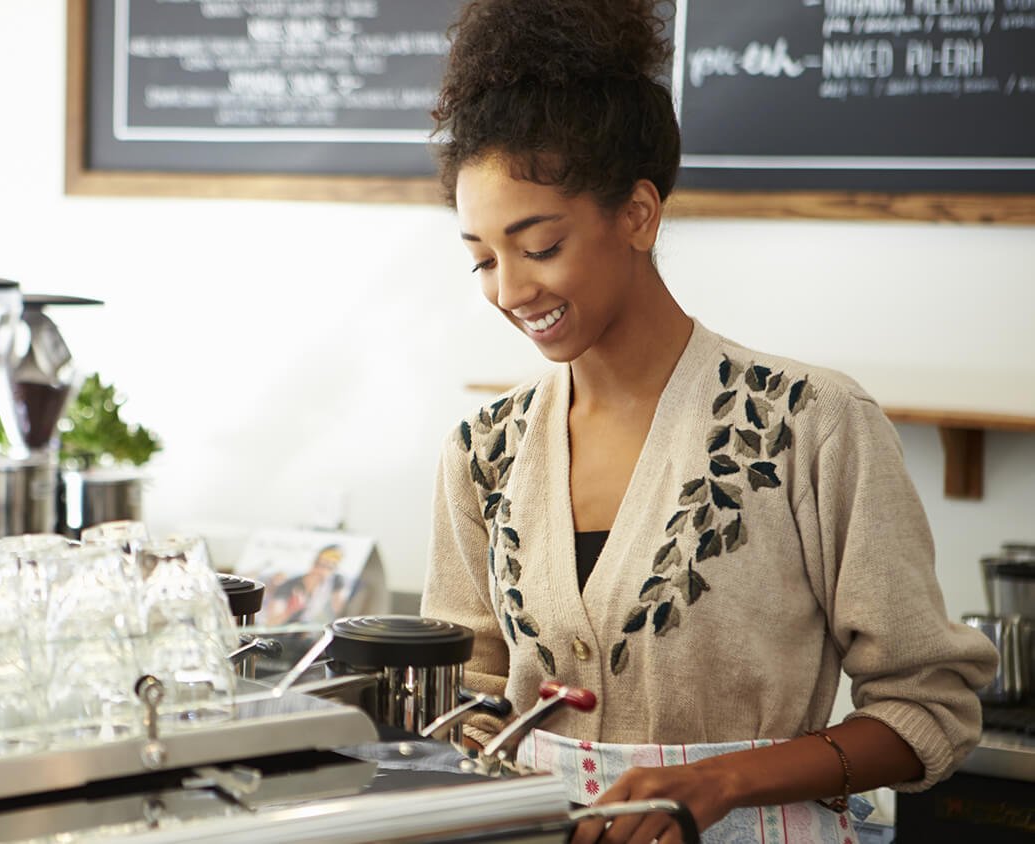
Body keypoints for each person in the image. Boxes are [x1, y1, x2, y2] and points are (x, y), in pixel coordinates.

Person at [418, 2, 998, 842]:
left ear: (639, 214)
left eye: (538, 246)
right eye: (482, 258)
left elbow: (928, 710)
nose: (508, 291)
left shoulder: (811, 426)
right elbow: (463, 702)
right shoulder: (483, 454)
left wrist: (722, 780)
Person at [263, 544, 352, 625]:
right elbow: (270, 623)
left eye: (330, 568)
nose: (323, 571)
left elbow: (342, 611)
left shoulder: (335, 582)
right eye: (319, 565)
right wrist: (289, 610)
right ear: (313, 564)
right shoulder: (288, 587)